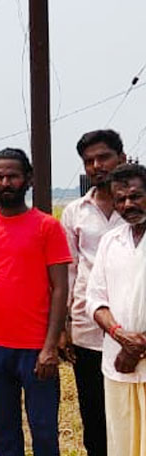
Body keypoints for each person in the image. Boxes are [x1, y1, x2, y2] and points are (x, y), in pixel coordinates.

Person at [0, 148, 71, 456]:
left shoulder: (48, 226)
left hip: (37, 348)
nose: (6, 183)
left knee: (44, 431)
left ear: (28, 179)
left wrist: (51, 346)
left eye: (13, 176)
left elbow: (60, 288)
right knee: (2, 432)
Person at [60, 129, 127, 456]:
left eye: (104, 157)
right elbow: (69, 271)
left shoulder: (135, 207)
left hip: (134, 328)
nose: (97, 166)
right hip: (88, 330)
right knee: (95, 415)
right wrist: (64, 326)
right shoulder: (75, 212)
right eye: (89, 161)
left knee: (132, 412)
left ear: (122, 158)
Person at [87, 162, 146, 456]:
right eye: (120, 199)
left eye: (135, 196)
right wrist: (122, 337)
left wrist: (138, 347)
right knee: (122, 444)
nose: (127, 205)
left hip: (134, 356)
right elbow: (95, 300)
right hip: (117, 362)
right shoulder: (111, 241)